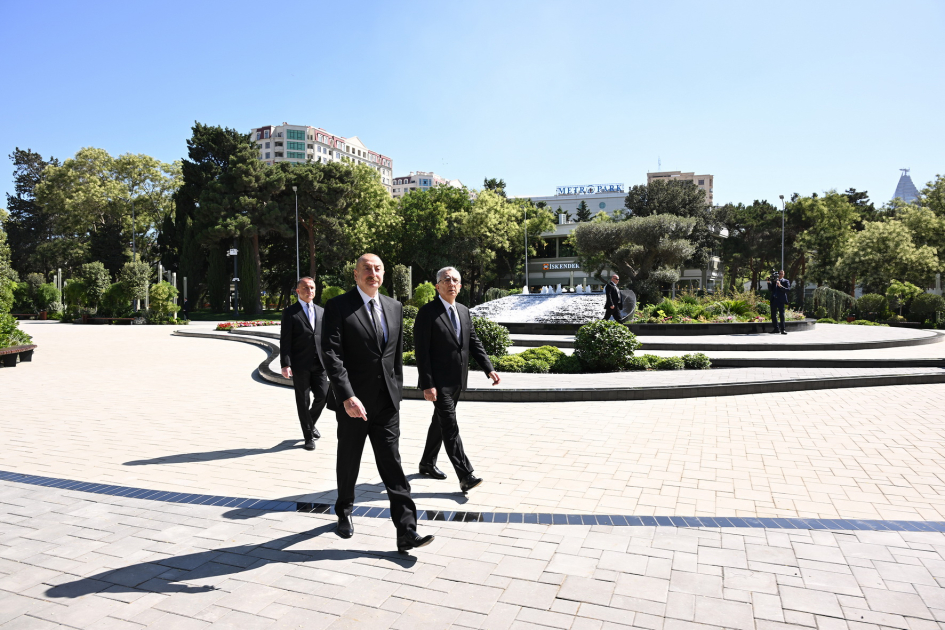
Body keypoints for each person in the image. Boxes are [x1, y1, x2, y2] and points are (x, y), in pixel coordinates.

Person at [321, 253, 433, 553]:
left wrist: (396, 391)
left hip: (385, 404)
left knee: (393, 466)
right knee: (349, 462)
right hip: (353, 404)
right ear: (356, 275)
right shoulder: (338, 307)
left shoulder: (394, 307)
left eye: (378, 269)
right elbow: (331, 354)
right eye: (367, 269)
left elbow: (393, 356)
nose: (373, 273)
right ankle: (343, 509)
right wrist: (346, 395)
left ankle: (407, 531)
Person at [414, 266, 501, 493]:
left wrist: (488, 368)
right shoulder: (427, 313)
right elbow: (421, 352)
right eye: (446, 280)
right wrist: (427, 384)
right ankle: (465, 475)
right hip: (438, 383)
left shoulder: (463, 310)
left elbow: (473, 342)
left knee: (440, 422)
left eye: (456, 280)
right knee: (450, 427)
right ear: (437, 286)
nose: (451, 283)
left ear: (460, 286)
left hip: (458, 380)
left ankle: (426, 463)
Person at [280, 277, 328, 451]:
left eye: (312, 288)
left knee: (323, 396)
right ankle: (308, 436)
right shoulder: (290, 313)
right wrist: (285, 364)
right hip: (300, 365)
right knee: (303, 400)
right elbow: (285, 340)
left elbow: (326, 338)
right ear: (298, 291)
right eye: (306, 288)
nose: (310, 291)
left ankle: (309, 422)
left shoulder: (322, 312)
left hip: (320, 363)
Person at [770, 270, 791, 335]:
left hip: (781, 300)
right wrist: (768, 282)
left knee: (781, 315)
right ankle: (776, 328)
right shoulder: (774, 281)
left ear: (784, 274)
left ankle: (783, 329)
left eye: (782, 274)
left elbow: (788, 290)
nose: (780, 275)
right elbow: (770, 289)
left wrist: (780, 286)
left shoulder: (786, 281)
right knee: (773, 315)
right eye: (779, 274)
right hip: (774, 300)